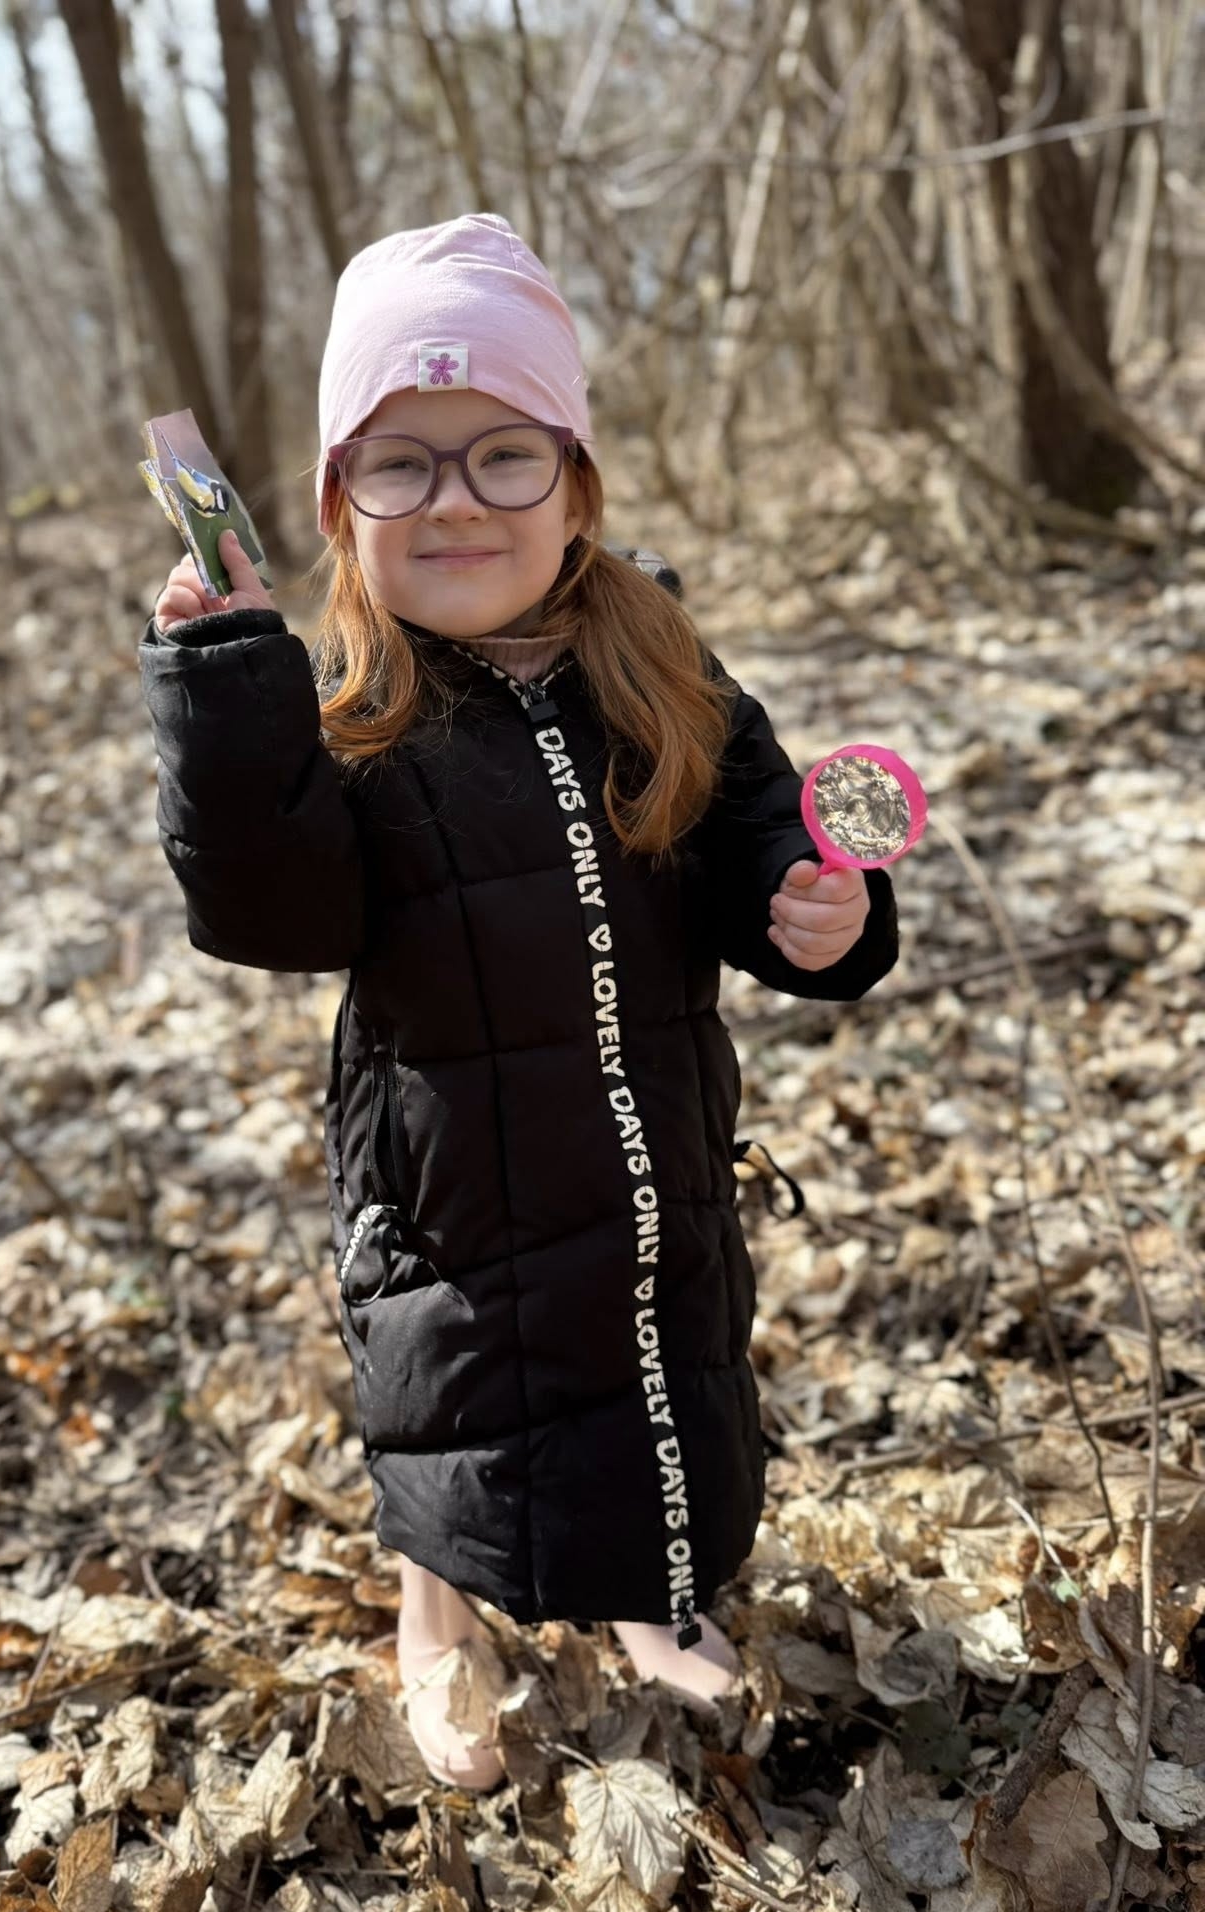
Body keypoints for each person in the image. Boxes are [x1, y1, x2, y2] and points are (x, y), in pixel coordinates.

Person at [138, 214, 899, 1792]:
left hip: (654, 1137)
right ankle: (434, 1616)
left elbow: (761, 834)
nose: (456, 500)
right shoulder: (348, 709)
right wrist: (225, 695)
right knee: (457, 1394)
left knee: (656, 1360)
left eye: (503, 454)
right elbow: (274, 913)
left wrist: (820, 911)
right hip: (444, 1169)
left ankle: (649, 1593)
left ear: (577, 488)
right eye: (400, 465)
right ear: (342, 508)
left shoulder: (664, 670)